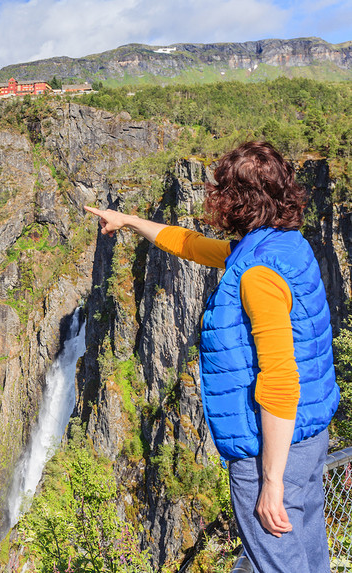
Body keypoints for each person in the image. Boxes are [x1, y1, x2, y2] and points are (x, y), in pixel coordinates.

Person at [84, 141, 340, 572]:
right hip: (309, 438)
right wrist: (127, 221)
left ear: (235, 201)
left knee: (277, 562)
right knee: (310, 554)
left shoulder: (258, 274)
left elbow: (279, 380)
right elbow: (192, 245)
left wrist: (272, 480)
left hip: (269, 452)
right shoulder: (282, 247)